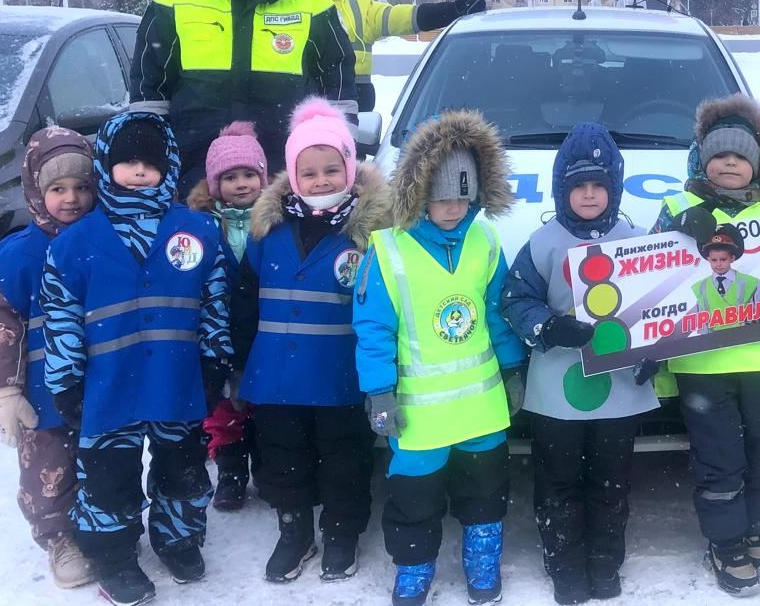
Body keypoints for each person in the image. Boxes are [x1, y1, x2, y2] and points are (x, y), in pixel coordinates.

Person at [40, 112, 232, 605]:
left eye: (151, 162)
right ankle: (114, 556)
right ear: (105, 165)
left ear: (168, 165)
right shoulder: (75, 244)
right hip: (108, 387)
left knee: (182, 468)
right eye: (128, 162)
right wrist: (66, 381)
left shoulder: (197, 232)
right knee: (108, 476)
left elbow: (215, 301)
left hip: (177, 381)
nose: (140, 171)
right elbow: (59, 314)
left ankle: (178, 537)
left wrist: (215, 360)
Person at [353, 110, 526, 606]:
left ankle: (481, 559)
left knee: (485, 492)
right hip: (417, 413)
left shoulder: (485, 241)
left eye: (462, 197)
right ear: (418, 192)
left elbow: (498, 315)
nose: (453, 209)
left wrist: (513, 368)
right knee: (414, 499)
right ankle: (413, 569)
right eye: (441, 197)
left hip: (480, 409)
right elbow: (374, 330)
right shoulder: (387, 251)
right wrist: (378, 391)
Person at [650, 94, 760, 597]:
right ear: (703, 160)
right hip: (703, 361)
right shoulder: (677, 207)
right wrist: (677, 235)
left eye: (741, 156)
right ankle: (724, 540)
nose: (730, 164)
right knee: (720, 455)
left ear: (755, 164)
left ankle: (752, 528)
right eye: (720, 155)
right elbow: (649, 277)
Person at [502, 122, 658, 605]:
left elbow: (657, 307)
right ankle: (565, 567)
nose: (589, 195)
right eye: (578, 186)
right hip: (557, 395)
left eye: (599, 184)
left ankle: (605, 564)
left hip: (619, 392)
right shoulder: (542, 242)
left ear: (614, 187)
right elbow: (515, 299)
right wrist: (547, 327)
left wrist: (654, 352)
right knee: (558, 483)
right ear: (561, 189)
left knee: (611, 484)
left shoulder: (635, 240)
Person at [232, 98, 387, 583]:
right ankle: (294, 531)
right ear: (293, 177)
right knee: (283, 459)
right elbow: (244, 300)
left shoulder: (369, 234)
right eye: (310, 172)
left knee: (345, 460)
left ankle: (342, 533)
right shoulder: (268, 230)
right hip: (276, 378)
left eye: (331, 169)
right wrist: (237, 362)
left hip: (341, 378)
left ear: (349, 169)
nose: (321, 181)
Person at [129, 0, 358, 194]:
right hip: (193, 174)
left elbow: (336, 77)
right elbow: (149, 85)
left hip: (287, 176)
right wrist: (149, 150)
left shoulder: (310, 2)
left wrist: (340, 144)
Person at [0, 128, 96, 589]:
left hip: (98, 380)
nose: (72, 199)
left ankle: (104, 526)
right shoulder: (15, 257)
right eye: (58, 189)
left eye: (83, 187)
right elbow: (0, 329)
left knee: (100, 459)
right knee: (47, 467)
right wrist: (3, 391)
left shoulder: (105, 241)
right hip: (42, 388)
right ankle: (58, 537)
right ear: (35, 189)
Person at [295, 0, 485, 111]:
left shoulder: (360, 9)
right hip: (300, 107)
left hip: (353, 109)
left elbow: (403, 16)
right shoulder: (286, 12)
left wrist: (453, 10)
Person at [186, 121, 268, 512]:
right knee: (224, 411)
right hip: (218, 331)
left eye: (249, 174)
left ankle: (268, 467)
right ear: (214, 184)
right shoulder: (203, 225)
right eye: (230, 176)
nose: (241, 184)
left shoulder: (274, 222)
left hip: (262, 329)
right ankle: (231, 471)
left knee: (263, 403)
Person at [693, 225, 758, 311]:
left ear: (732, 258)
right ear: (708, 259)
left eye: (723, 259)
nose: (718, 264)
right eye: (714, 260)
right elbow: (700, 315)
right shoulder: (700, 287)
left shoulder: (751, 282)